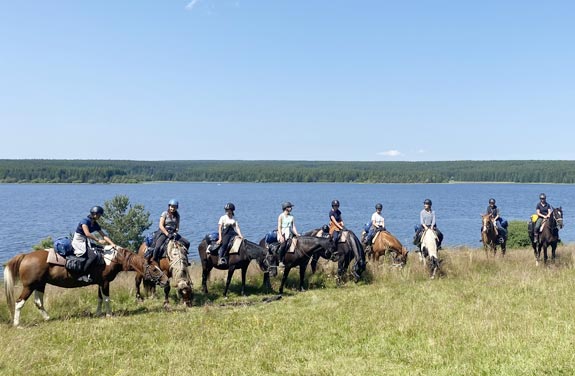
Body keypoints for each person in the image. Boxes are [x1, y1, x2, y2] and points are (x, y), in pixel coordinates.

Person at [72, 206, 117, 282]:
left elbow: (103, 235)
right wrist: (98, 240)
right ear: (94, 214)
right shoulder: (85, 221)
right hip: (79, 240)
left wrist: (112, 244)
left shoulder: (95, 224)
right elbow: (87, 234)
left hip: (86, 241)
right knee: (93, 256)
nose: (100, 217)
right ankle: (82, 275)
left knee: (100, 249)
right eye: (99, 215)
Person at [146, 199, 190, 263]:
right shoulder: (165, 214)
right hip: (163, 232)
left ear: (177, 208)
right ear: (169, 206)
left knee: (187, 243)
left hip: (173, 233)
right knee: (157, 247)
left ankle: (185, 259)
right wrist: (167, 234)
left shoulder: (177, 216)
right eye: (172, 206)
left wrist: (175, 233)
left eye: (174, 207)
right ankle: (154, 260)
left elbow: (177, 227)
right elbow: (160, 225)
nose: (173, 208)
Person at [277, 201, 300, 267]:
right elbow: (279, 226)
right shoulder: (281, 216)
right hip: (283, 232)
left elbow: (293, 226)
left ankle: (295, 261)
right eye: (289, 207)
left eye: (290, 207)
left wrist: (297, 233)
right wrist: (281, 236)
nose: (291, 208)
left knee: (297, 243)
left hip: (290, 232)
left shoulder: (292, 216)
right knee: (283, 245)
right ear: (285, 208)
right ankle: (280, 260)